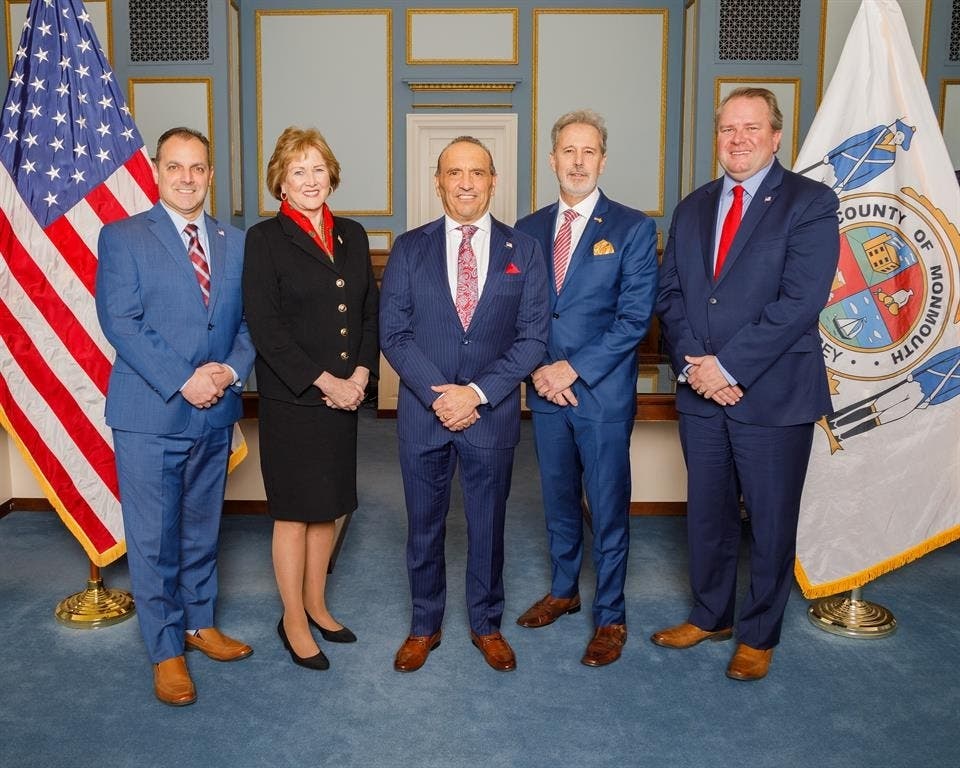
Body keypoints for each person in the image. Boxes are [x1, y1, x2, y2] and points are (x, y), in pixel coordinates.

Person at [653, 87, 840, 680]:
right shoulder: (693, 206)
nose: (737, 139)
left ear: (776, 136)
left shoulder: (809, 203)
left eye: (751, 128)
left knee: (769, 519)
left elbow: (800, 301)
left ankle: (759, 633)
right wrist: (695, 365)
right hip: (701, 393)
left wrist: (726, 368)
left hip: (774, 394)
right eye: (728, 129)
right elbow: (672, 294)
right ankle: (712, 615)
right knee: (706, 513)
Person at [95, 127, 255, 706]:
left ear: (210, 175)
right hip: (150, 413)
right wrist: (183, 379)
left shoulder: (236, 243)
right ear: (157, 173)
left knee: (200, 528)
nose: (187, 178)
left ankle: (198, 623)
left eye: (197, 168)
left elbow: (245, 325)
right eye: (175, 167)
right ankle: (166, 650)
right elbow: (122, 323)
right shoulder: (122, 237)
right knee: (154, 537)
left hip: (215, 409)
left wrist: (227, 374)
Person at [379, 136, 549, 673]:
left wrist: (474, 394)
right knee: (424, 527)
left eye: (477, 172)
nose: (467, 183)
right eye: (455, 172)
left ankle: (486, 624)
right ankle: (423, 625)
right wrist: (442, 396)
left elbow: (532, 339)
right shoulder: (410, 247)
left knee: (487, 524)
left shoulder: (523, 250)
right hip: (425, 415)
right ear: (439, 181)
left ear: (493, 180)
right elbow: (395, 334)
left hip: (490, 413)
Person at [513, 110, 659, 667]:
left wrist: (570, 369)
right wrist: (537, 373)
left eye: (589, 151)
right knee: (556, 500)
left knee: (607, 504)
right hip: (545, 393)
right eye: (568, 151)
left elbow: (633, 318)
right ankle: (563, 589)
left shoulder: (632, 228)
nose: (578, 161)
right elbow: (520, 315)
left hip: (598, 393)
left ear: (602, 159)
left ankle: (611, 616)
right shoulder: (526, 230)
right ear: (552, 160)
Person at [242, 127, 379, 671]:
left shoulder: (352, 232)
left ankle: (317, 604)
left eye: (318, 169)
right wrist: (327, 382)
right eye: (298, 171)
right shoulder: (264, 239)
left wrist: (363, 374)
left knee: (329, 508)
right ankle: (292, 619)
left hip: (346, 398)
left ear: (332, 174)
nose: (310, 180)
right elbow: (266, 328)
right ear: (281, 180)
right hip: (297, 400)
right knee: (294, 515)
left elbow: (369, 311)